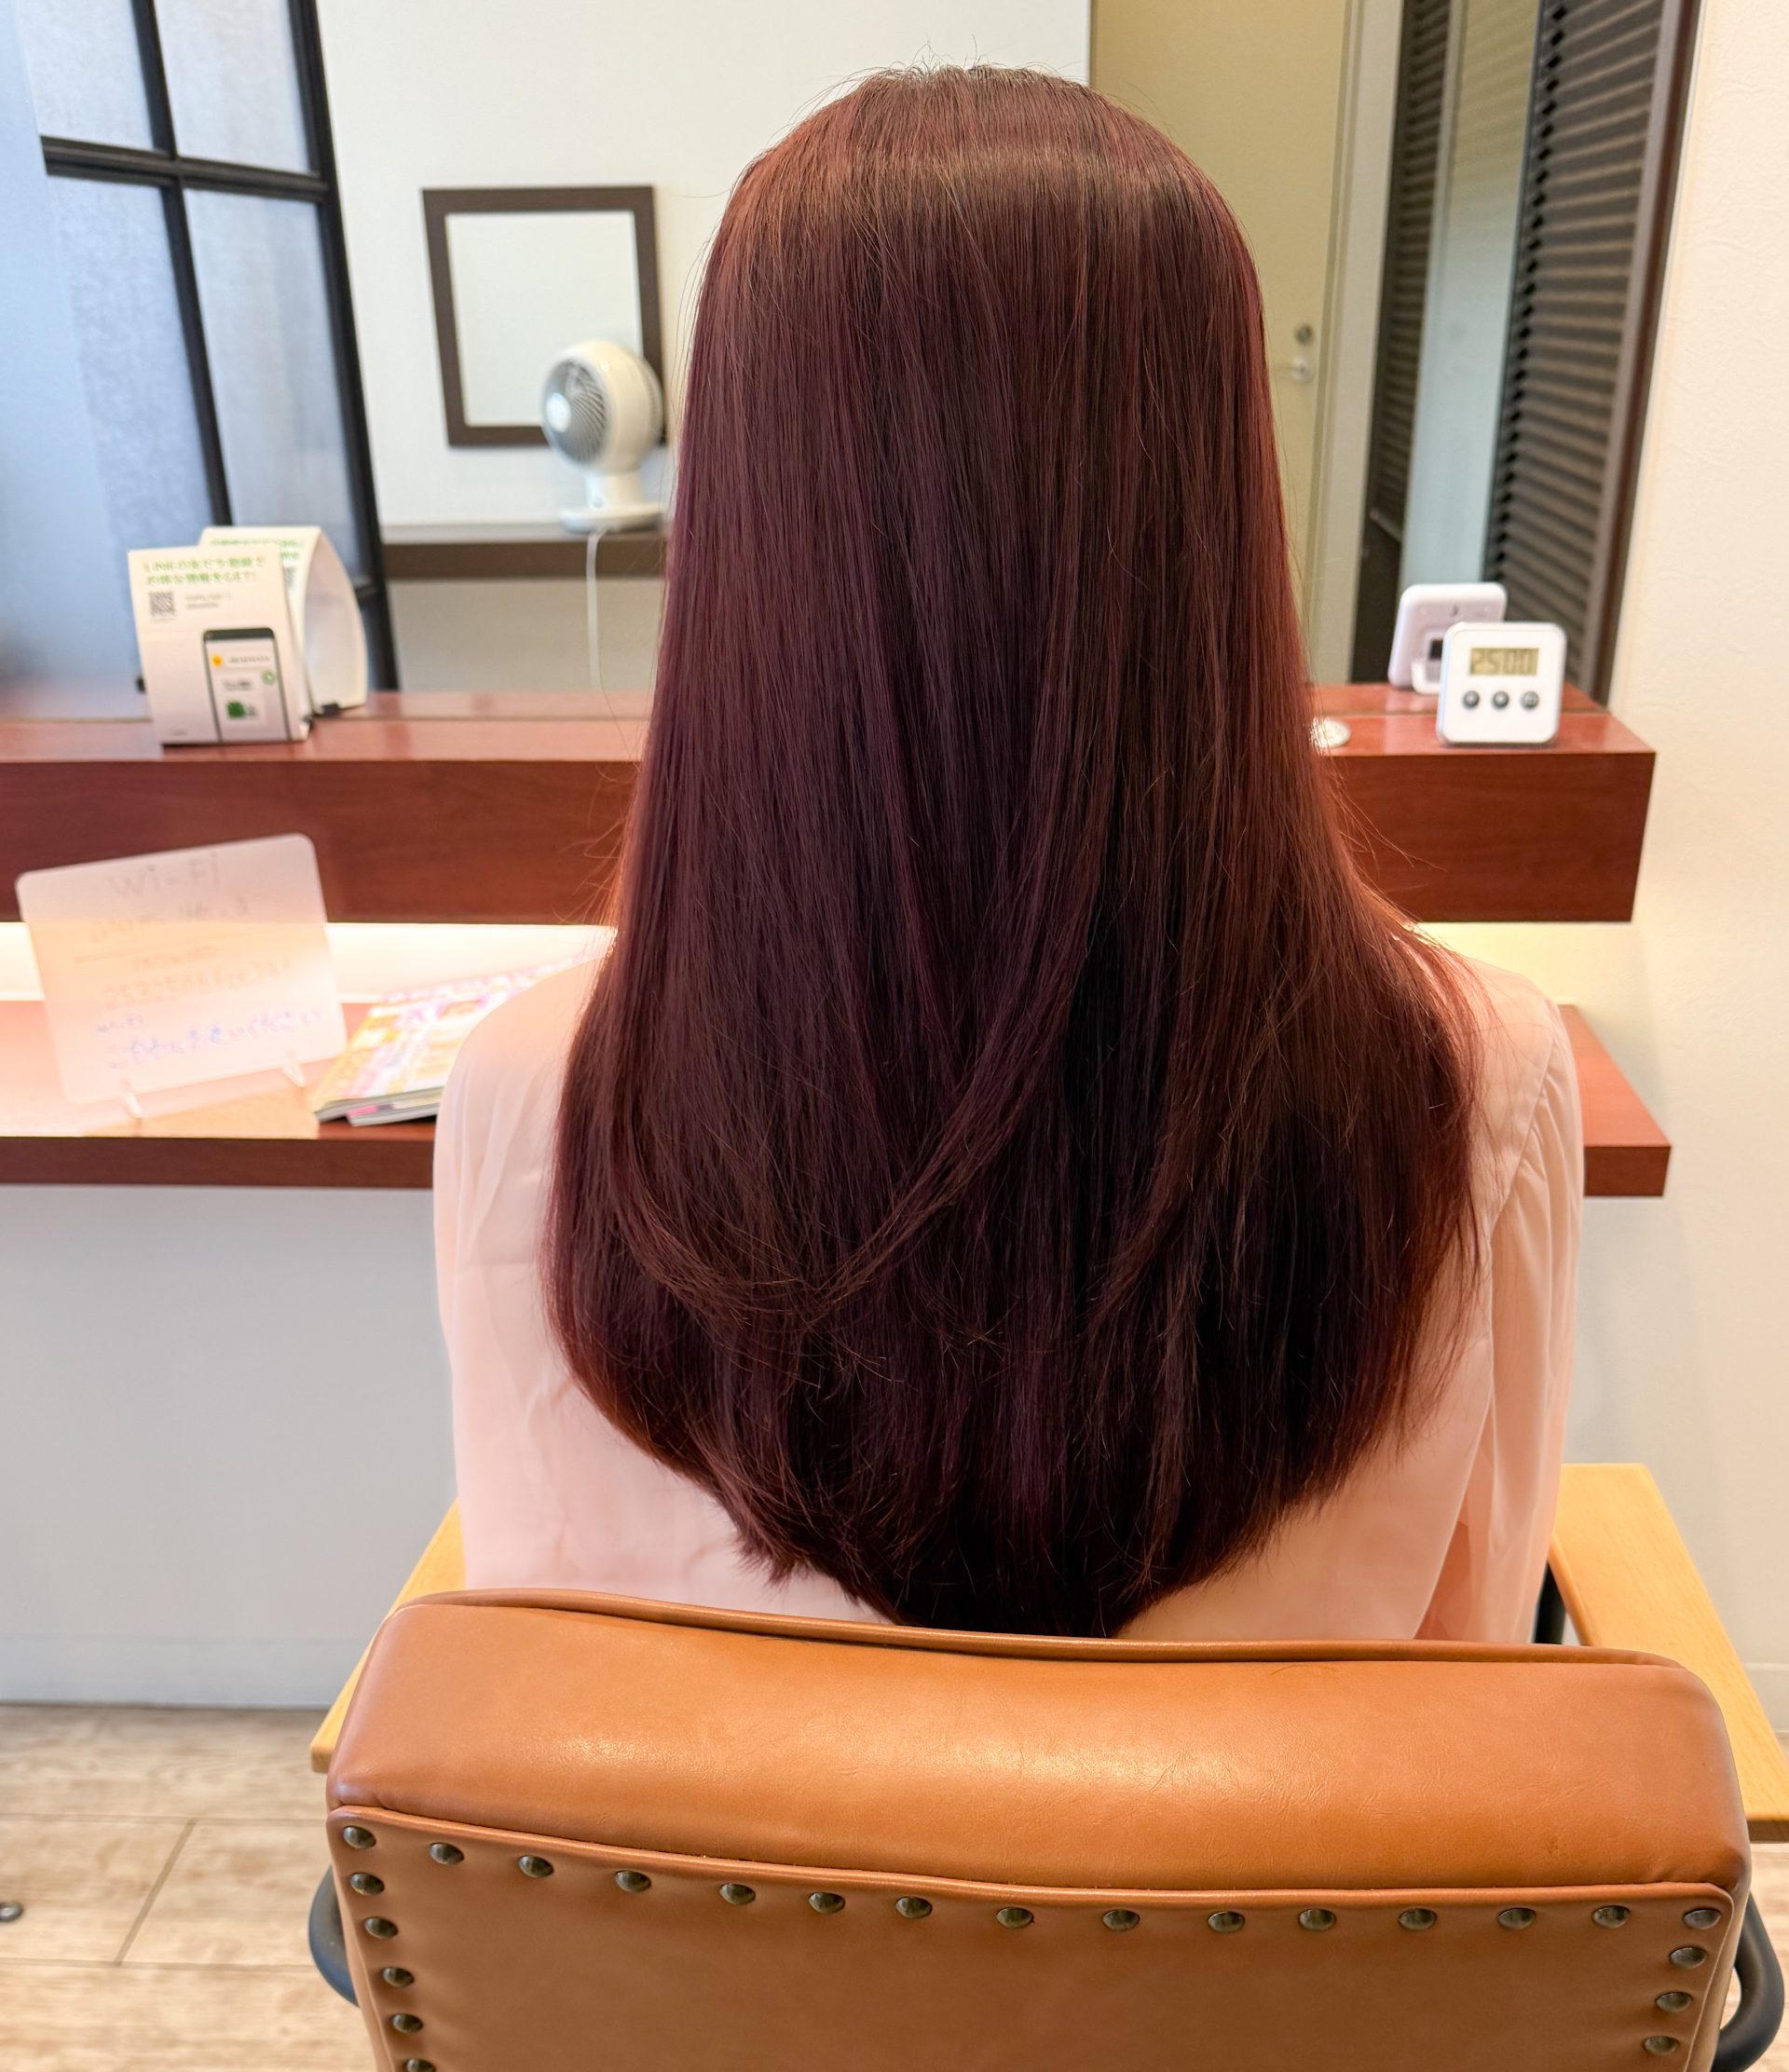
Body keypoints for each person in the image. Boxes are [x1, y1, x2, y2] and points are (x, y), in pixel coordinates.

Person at [436, 65, 1579, 1645]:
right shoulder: (1479, 1088)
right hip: (1267, 1829)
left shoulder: (528, 1093)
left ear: (745, 534)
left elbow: (536, 1683)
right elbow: (1470, 1689)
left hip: (704, 1829)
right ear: (1215, 516)